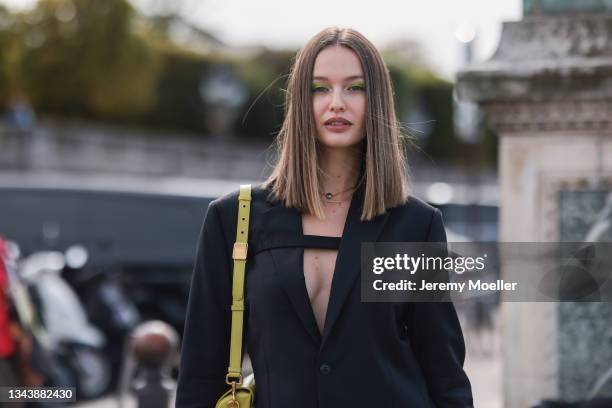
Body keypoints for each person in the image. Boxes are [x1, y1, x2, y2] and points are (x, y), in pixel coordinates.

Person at [176, 27, 473, 407]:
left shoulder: (416, 224)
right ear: (301, 100)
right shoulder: (232, 220)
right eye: (320, 88)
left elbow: (444, 372)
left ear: (377, 100)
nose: (336, 103)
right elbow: (200, 373)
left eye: (355, 87)